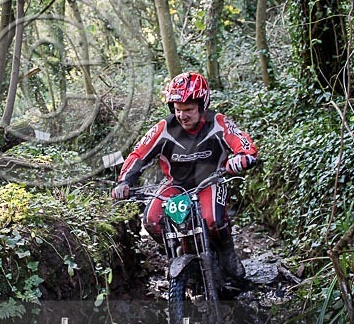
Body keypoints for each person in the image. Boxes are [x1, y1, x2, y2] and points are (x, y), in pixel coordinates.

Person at [110, 72, 258, 280]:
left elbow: (242, 142)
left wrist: (243, 157)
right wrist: (125, 181)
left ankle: (227, 254)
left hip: (210, 182)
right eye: (178, 110)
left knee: (213, 220)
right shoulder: (164, 128)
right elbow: (139, 154)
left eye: (188, 110)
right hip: (176, 184)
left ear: (202, 106)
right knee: (152, 220)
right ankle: (179, 251)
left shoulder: (218, 123)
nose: (183, 116)